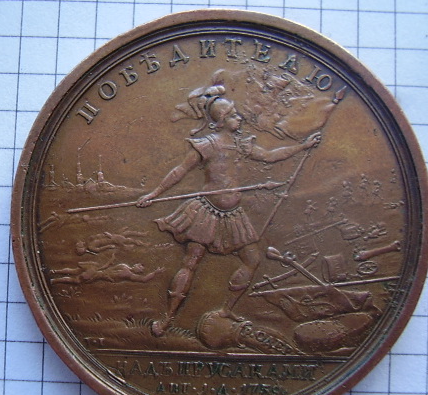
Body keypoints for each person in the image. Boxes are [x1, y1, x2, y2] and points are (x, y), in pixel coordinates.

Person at [137, 86, 321, 336]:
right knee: (191, 262)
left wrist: (302, 146)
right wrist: (154, 194)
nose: (239, 118)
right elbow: (180, 171)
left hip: (233, 215)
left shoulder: (241, 144)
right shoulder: (208, 145)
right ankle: (168, 319)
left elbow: (269, 156)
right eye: (233, 115)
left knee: (253, 260)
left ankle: (226, 310)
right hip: (205, 212)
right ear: (221, 121)